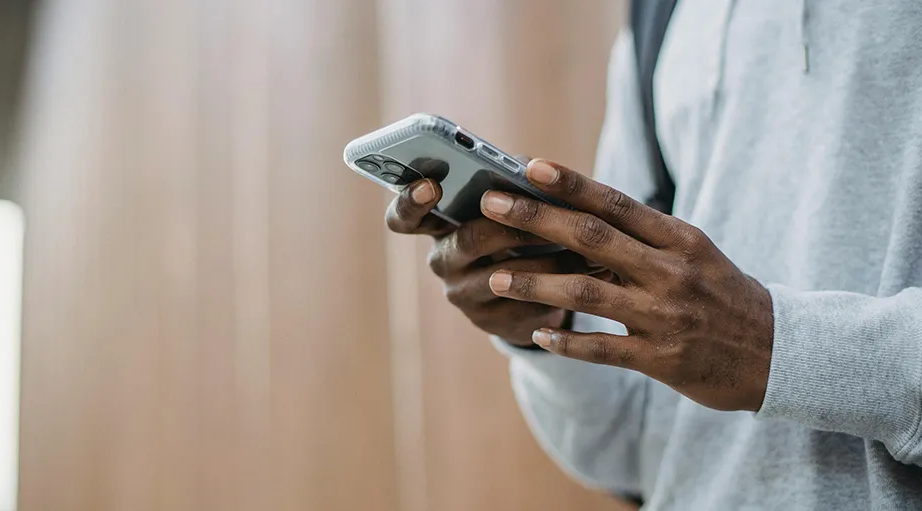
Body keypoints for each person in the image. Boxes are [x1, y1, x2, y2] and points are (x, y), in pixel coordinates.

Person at [384, 1, 922, 509]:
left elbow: (751, 347)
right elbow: (630, 447)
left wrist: (780, 348)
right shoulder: (659, 13)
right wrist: (548, 326)